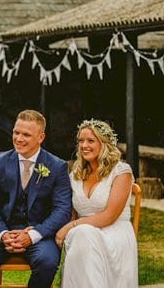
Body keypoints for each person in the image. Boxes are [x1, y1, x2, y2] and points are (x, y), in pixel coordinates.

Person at [0, 110, 72, 288]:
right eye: (16, 132)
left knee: (47, 262)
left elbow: (62, 209)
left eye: (26, 135)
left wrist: (32, 235)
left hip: (40, 234)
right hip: (3, 231)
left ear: (40, 137)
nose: (19, 138)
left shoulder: (57, 166)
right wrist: (3, 234)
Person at [54, 119, 137, 287]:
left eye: (91, 140)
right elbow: (72, 215)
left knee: (82, 233)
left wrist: (72, 227)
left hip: (114, 233)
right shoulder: (74, 175)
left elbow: (109, 216)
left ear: (104, 144)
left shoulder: (121, 172)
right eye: (81, 141)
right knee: (82, 235)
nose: (84, 145)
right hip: (81, 237)